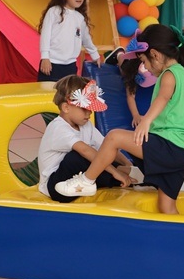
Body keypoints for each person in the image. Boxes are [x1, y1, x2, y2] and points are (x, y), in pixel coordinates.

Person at [54, 24, 184, 214]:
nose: (145, 68)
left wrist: (146, 121)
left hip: (171, 147)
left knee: (114, 137)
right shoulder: (181, 72)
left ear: (155, 54)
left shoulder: (170, 74)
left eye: (144, 61)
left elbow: (163, 97)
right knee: (166, 207)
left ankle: (86, 181)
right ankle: (179, 233)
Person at [39, 75, 142, 203]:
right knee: (78, 156)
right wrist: (115, 172)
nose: (89, 113)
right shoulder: (58, 128)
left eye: (90, 109)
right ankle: (120, 176)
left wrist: (128, 165)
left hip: (78, 177)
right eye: (84, 109)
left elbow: (107, 146)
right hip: (57, 187)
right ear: (66, 108)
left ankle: (133, 175)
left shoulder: (85, 125)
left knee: (102, 155)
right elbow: (85, 151)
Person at [38, 0, 101, 82]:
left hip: (70, 65)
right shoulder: (54, 11)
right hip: (52, 63)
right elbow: (45, 35)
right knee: (47, 91)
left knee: (68, 92)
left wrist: (95, 54)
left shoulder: (79, 18)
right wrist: (45, 57)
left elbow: (86, 39)